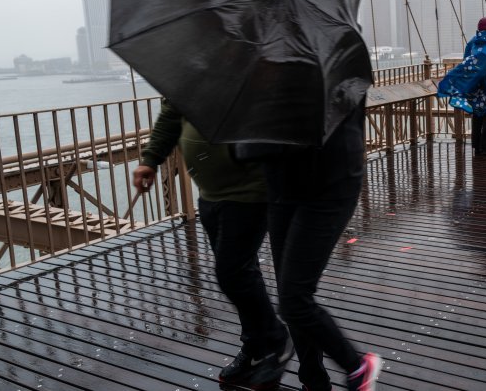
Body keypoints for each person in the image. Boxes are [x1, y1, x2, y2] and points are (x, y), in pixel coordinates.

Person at [132, 101, 294, 390]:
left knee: (231, 273)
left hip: (250, 190)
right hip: (210, 192)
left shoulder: (252, 67)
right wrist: (150, 159)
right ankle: (255, 347)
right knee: (243, 271)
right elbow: (173, 113)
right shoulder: (193, 69)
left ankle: (276, 339)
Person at [235, 101, 381, 391]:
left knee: (294, 299)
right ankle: (314, 380)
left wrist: (250, 144)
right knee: (291, 293)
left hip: (328, 189)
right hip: (282, 188)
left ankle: (357, 365)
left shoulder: (328, 71)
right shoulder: (262, 78)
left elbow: (314, 132)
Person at [437, 17, 486, 156]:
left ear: (479, 29)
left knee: (476, 113)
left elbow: (467, 64)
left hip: (474, 86)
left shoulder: (471, 42)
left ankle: (476, 145)